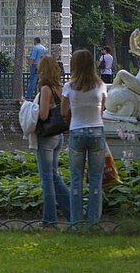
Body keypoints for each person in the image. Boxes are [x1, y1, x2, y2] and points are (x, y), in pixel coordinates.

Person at [61, 48, 107, 227]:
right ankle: (93, 221)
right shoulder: (100, 85)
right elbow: (102, 109)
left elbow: (64, 111)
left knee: (76, 178)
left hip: (77, 131)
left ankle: (76, 221)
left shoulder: (69, 86)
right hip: (96, 130)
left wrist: (74, 110)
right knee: (96, 178)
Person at [33, 54, 71, 226]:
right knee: (54, 176)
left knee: (46, 179)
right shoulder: (60, 88)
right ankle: (74, 212)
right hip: (59, 136)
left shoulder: (46, 89)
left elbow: (43, 115)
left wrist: (29, 107)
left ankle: (49, 219)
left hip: (47, 137)